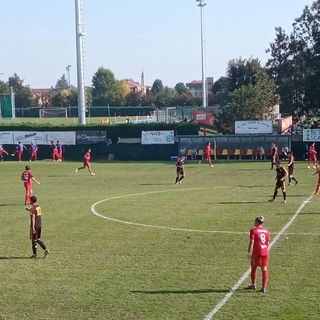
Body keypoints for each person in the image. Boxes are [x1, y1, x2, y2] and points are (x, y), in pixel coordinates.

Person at [246, 216, 270, 293]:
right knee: (264, 269)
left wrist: (249, 251)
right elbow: (268, 243)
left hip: (257, 252)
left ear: (257, 222)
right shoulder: (266, 231)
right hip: (265, 252)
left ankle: (253, 284)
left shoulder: (253, 230)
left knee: (253, 268)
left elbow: (252, 241)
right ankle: (263, 287)